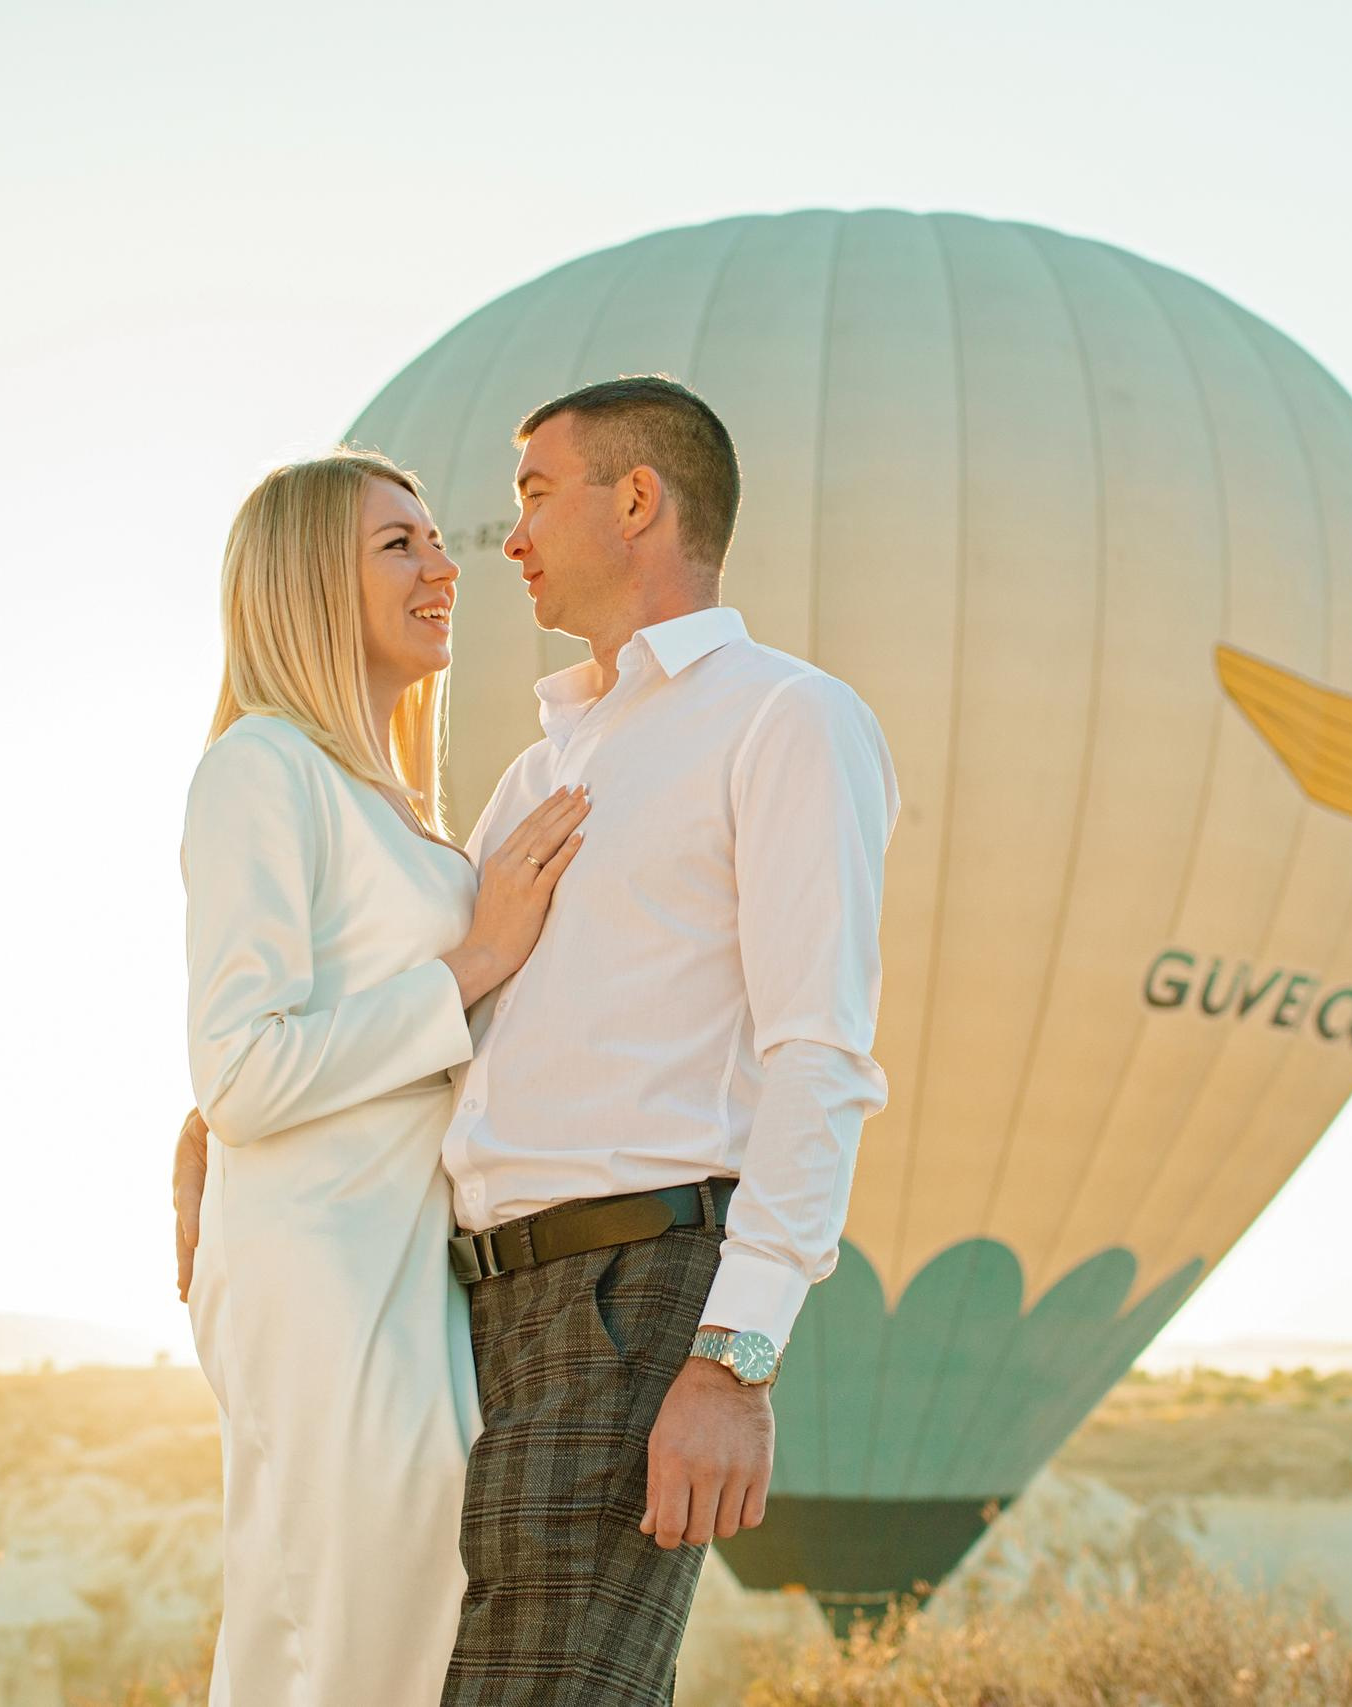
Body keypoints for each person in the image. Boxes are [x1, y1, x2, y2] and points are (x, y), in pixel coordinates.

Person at [179, 375, 899, 1705]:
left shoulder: (779, 717)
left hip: (632, 1286)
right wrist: (218, 1139)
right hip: (468, 1310)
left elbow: (820, 1054)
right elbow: (407, 1017)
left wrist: (734, 1353)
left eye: (527, 498)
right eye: (417, 537)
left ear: (635, 499)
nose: (492, 544)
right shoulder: (536, 774)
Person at [177, 449, 592, 1707]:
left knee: (404, 1639)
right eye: (396, 545)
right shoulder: (261, 768)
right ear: (309, 584)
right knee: (338, 1644)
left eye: (433, 538)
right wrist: (471, 962)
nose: (443, 564)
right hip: (323, 1277)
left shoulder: (386, 802)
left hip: (405, 1268)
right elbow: (242, 1068)